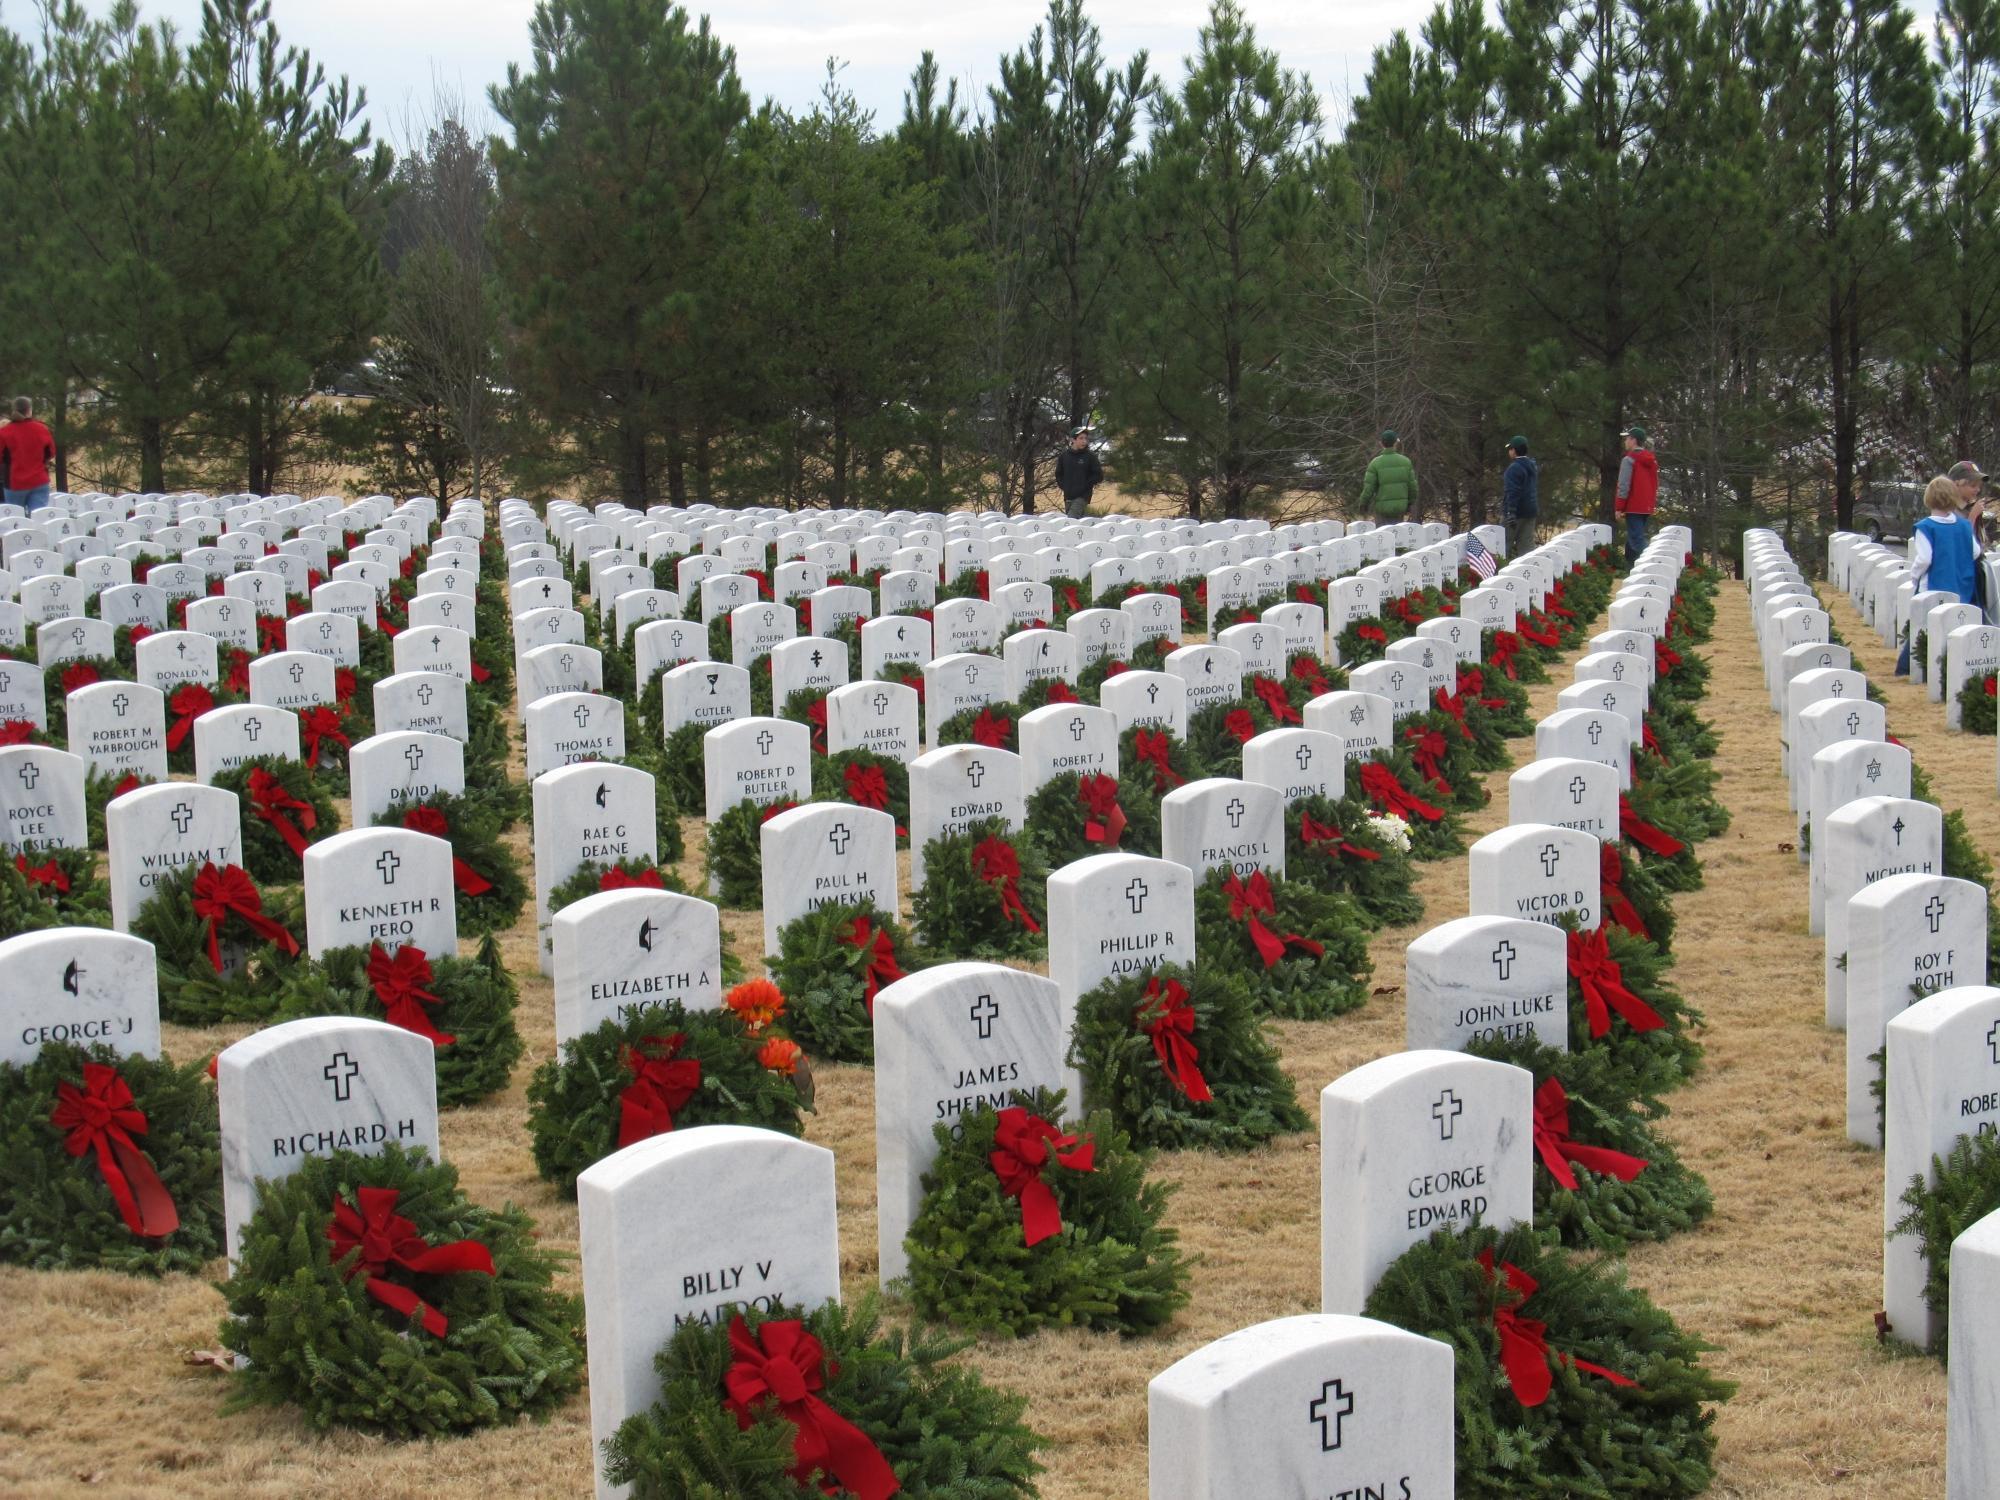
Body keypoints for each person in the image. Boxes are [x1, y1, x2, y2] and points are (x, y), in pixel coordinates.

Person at [1898, 475, 1985, 674]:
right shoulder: (1963, 525)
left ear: (1929, 499)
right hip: (1962, 585)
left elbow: (1925, 559)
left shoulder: (1926, 527)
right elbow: (1975, 553)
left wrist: (1914, 576)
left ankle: (1907, 668)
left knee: (1924, 628)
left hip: (1934, 586)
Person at [0, 397, 55, 515]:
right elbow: (50, 453)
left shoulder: (4, 432)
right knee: (39, 519)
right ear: (29, 410)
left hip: (15, 483)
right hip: (39, 481)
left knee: (15, 522)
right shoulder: (42, 429)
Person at [1614, 425, 1657, 561]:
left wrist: (1619, 507)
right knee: (1634, 539)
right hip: (1646, 506)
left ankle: (1652, 562)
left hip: (1633, 505)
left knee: (1637, 541)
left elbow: (1624, 485)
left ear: (1633, 440)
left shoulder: (1629, 460)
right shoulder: (1651, 460)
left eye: (1627, 438)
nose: (1625, 441)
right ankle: (1631, 566)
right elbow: (1655, 484)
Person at [1360, 429, 1416, 521]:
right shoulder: (1406, 462)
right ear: (1395, 443)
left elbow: (1368, 488)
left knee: (1382, 534)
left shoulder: (1375, 463)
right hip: (1400, 509)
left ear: (1381, 444)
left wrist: (1363, 503)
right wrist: (1409, 503)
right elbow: (1413, 487)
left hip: (1382, 509)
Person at [1053, 426, 1103, 519]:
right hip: (1068, 496)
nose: (1084, 441)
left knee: (1071, 520)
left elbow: (1098, 475)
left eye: (1085, 438)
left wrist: (1085, 485)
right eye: (1081, 438)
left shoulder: (1090, 456)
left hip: (1082, 496)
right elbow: (1058, 474)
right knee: (1077, 523)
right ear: (1073, 440)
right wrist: (1065, 487)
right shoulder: (1064, 456)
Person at [1501, 435, 1538, 558]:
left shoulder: (1514, 468)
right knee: (1526, 546)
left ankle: (1501, 572)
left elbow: (1513, 491)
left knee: (1504, 545)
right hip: (1530, 511)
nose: (1509, 451)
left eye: (1510, 449)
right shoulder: (1532, 465)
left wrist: (1511, 512)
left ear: (1514, 450)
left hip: (1516, 513)